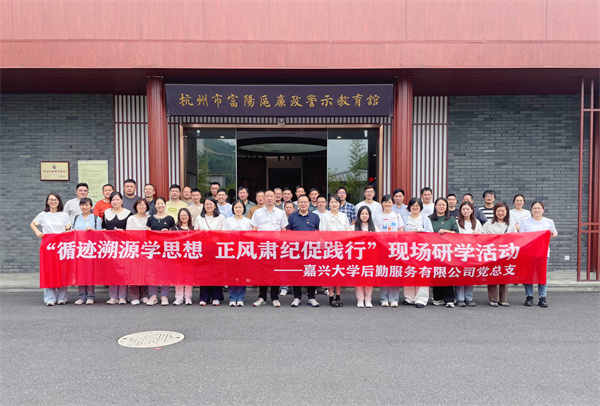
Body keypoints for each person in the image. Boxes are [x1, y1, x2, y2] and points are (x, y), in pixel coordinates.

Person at [30, 192, 71, 306]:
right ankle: (49, 298)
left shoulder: (64, 215)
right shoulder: (43, 214)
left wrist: (66, 233)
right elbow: (32, 224)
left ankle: (62, 297)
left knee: (62, 271)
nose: (53, 202)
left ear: (59, 201)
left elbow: (69, 228)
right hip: (48, 246)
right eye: (51, 200)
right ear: (47, 202)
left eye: (55, 200)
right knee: (48, 271)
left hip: (61, 246)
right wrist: (37, 232)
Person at [250, 190, 287, 307]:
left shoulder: (281, 213)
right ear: (264, 198)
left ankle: (275, 297)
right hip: (262, 246)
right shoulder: (257, 212)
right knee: (262, 272)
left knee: (275, 272)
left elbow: (283, 230)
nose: (269, 198)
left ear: (275, 198)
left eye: (271, 196)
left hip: (276, 246)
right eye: (267, 196)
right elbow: (254, 229)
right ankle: (262, 297)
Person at [519, 201, 558, 308]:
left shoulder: (549, 221)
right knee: (528, 275)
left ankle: (542, 297)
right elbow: (521, 236)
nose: (536, 210)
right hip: (528, 253)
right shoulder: (525, 222)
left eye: (539, 208)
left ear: (543, 210)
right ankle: (529, 296)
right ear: (531, 210)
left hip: (543, 253)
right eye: (534, 208)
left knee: (542, 275)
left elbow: (555, 233)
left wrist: (552, 234)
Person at [287, 195, 321, 307]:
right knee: (296, 273)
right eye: (301, 202)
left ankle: (311, 297)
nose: (303, 204)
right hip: (296, 250)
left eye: (305, 202)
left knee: (311, 272)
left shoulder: (315, 216)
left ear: (308, 203)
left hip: (311, 250)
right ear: (297, 204)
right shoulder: (292, 216)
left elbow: (318, 232)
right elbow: (288, 233)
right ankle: (297, 297)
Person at [482, 201, 517, 307]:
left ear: (506, 212)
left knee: (504, 275)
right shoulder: (488, 224)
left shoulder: (511, 225)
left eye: (503, 211)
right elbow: (482, 237)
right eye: (498, 210)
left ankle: (503, 299)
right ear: (495, 212)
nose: (501, 213)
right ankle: (493, 299)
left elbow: (516, 239)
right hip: (492, 254)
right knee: (493, 275)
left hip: (506, 254)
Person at [320, 194, 351, 307]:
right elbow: (322, 232)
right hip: (329, 248)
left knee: (339, 272)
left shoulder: (343, 216)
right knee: (331, 273)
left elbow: (347, 231)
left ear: (339, 204)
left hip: (341, 248)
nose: (334, 204)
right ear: (329, 204)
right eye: (332, 202)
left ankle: (338, 296)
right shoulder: (325, 216)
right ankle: (331, 296)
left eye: (336, 202)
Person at [194, 197, 226, 306]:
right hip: (203, 249)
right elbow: (196, 232)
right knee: (204, 273)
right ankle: (204, 297)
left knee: (216, 273)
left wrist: (213, 233)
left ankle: (217, 297)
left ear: (215, 206)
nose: (208, 206)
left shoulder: (221, 217)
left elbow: (224, 232)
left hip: (217, 249)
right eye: (206, 204)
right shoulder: (200, 218)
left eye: (211, 204)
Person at [402, 197, 433, 308]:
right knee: (409, 272)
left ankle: (421, 299)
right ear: (409, 207)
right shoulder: (404, 218)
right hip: (408, 249)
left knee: (422, 273)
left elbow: (431, 232)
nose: (415, 207)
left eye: (417, 205)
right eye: (413, 205)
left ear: (421, 207)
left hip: (422, 250)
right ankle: (409, 298)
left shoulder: (425, 219)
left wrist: (421, 230)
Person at [429, 197, 459, 308]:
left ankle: (449, 299)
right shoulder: (429, 218)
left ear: (446, 207)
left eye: (443, 205)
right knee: (436, 273)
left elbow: (457, 233)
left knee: (447, 274)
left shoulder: (451, 219)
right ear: (435, 206)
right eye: (439, 205)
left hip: (447, 251)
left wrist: (445, 231)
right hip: (433, 250)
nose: (441, 207)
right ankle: (438, 298)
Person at [102, 191, 132, 304]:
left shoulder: (128, 213)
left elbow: (131, 230)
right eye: (113, 200)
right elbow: (103, 227)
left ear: (122, 200)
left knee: (123, 271)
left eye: (117, 199)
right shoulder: (106, 213)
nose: (115, 202)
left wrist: (123, 232)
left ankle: (123, 296)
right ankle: (113, 296)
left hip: (123, 246)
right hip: (110, 246)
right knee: (112, 271)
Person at [375, 194, 404, 307]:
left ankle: (394, 299)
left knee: (394, 272)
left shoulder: (397, 216)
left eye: (389, 202)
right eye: (385, 202)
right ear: (382, 203)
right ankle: (384, 298)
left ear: (392, 203)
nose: (387, 204)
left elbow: (401, 231)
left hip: (394, 248)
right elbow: (375, 232)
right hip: (381, 248)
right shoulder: (377, 216)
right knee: (384, 272)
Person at [71, 197, 102, 305]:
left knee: (89, 273)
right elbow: (71, 232)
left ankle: (90, 296)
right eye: (82, 205)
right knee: (80, 273)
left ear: (91, 206)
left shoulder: (96, 218)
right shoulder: (75, 218)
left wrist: (93, 230)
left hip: (91, 249)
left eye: (87, 205)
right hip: (78, 249)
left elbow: (100, 234)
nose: (84, 207)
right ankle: (82, 296)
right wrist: (74, 231)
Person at [146, 197, 175, 306]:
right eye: (158, 204)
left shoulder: (170, 218)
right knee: (152, 273)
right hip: (153, 249)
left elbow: (174, 234)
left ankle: (164, 296)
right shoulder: (150, 219)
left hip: (166, 249)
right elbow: (147, 233)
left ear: (165, 204)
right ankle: (153, 296)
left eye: (162, 203)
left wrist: (168, 232)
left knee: (165, 273)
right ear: (155, 206)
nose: (160, 206)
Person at [223, 200, 253, 307]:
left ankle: (240, 298)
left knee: (241, 275)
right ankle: (232, 297)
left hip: (243, 251)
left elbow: (251, 237)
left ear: (243, 209)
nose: (238, 209)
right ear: (233, 209)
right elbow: (224, 235)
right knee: (231, 275)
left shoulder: (248, 221)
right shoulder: (228, 221)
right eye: (236, 207)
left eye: (240, 207)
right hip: (231, 251)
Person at [456, 201, 482, 308]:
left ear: (472, 210)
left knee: (470, 275)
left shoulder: (477, 222)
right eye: (463, 209)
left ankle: (469, 298)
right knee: (460, 276)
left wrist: (477, 235)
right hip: (460, 253)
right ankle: (459, 298)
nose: (465, 211)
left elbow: (482, 237)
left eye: (468, 209)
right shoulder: (457, 222)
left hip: (473, 253)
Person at [126, 198, 151, 305]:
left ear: (147, 207)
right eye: (139, 205)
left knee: (145, 272)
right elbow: (128, 233)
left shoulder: (150, 218)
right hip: (134, 248)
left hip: (146, 248)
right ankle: (134, 296)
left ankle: (144, 295)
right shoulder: (131, 218)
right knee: (134, 272)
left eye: (143, 205)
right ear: (135, 207)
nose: (141, 207)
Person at [354, 206, 379, 308]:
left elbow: (381, 241)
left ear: (369, 215)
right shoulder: (353, 227)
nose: (364, 216)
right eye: (362, 214)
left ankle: (368, 299)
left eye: (366, 214)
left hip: (370, 257)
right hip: (357, 257)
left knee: (369, 278)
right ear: (359, 215)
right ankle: (360, 299)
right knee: (359, 279)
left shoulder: (375, 228)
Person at [173, 208, 194, 305]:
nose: (183, 217)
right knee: (178, 277)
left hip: (190, 256)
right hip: (178, 256)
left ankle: (188, 297)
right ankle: (179, 297)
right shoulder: (175, 228)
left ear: (189, 216)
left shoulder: (193, 228)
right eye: (181, 215)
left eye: (185, 215)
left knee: (189, 277)